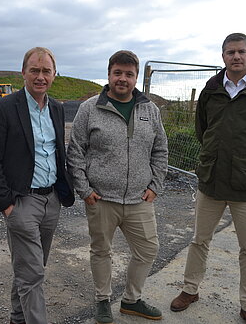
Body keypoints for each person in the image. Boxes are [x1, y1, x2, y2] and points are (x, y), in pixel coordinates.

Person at [170, 33, 246, 324]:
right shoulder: (211, 90)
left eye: (241, 51)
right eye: (230, 52)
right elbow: (203, 130)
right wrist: (214, 154)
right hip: (211, 181)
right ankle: (190, 289)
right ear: (222, 56)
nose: (236, 57)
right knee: (199, 240)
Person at [67, 50, 168, 323]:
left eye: (129, 74)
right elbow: (75, 152)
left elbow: (160, 150)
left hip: (139, 200)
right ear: (109, 74)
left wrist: (155, 186)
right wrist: (85, 191)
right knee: (101, 251)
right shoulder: (90, 108)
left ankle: (131, 300)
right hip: (101, 200)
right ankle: (102, 300)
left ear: (136, 77)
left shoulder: (150, 110)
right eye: (117, 73)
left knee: (148, 250)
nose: (123, 79)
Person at [0, 47, 75, 324]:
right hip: (22, 203)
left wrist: (61, 192)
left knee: (29, 268)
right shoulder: (4, 109)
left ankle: (17, 319)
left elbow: (58, 151)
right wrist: (7, 205)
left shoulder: (57, 108)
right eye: (35, 70)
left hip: (51, 202)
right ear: (23, 73)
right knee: (33, 273)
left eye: (46, 71)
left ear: (54, 75)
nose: (40, 76)